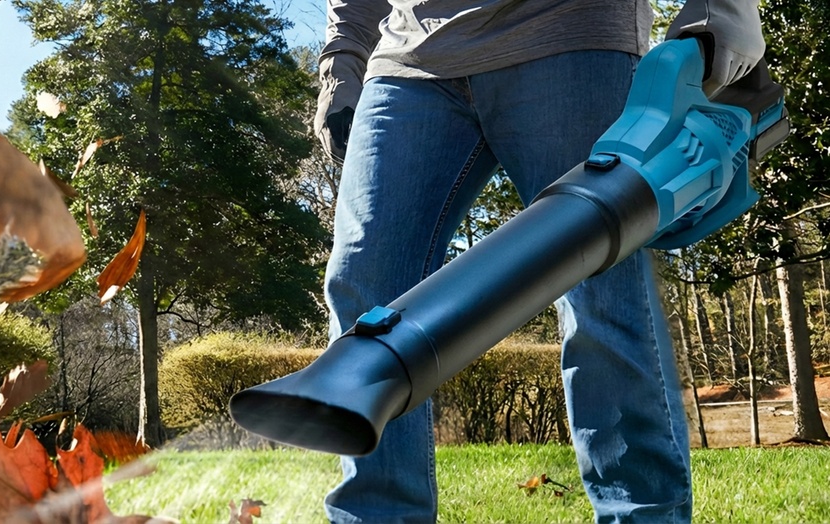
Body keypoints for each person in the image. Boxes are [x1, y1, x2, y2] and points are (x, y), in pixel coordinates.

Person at [314, 0, 765, 521]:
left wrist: (721, 15)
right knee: (366, 286)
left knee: (604, 293)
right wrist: (342, 62)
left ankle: (640, 513)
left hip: (571, 32)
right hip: (409, 58)